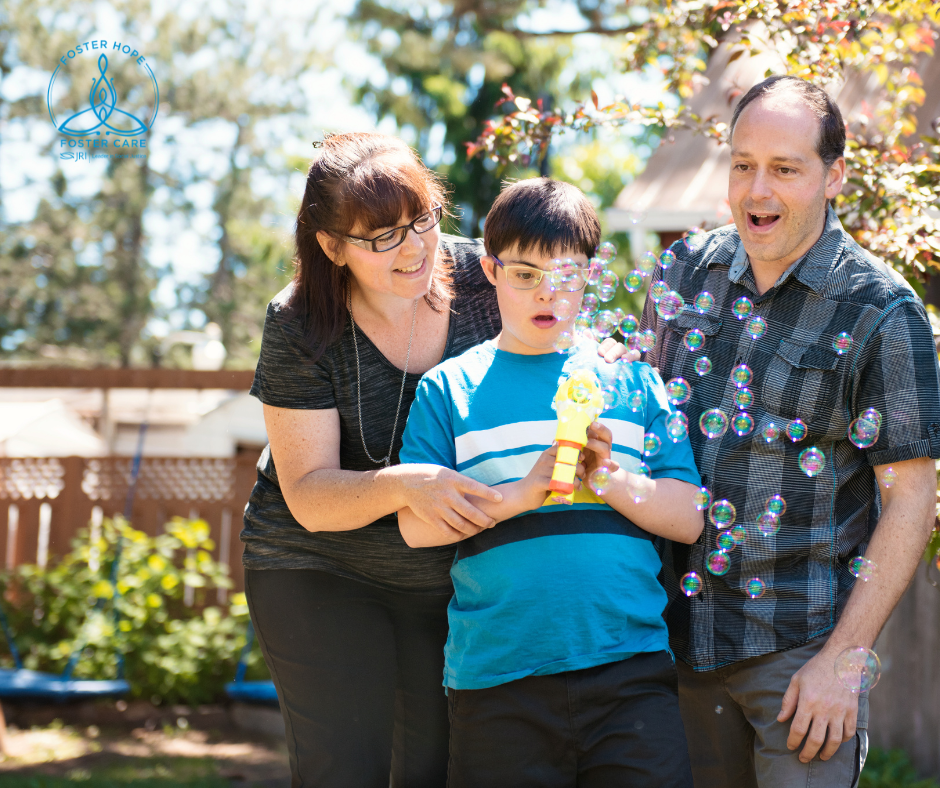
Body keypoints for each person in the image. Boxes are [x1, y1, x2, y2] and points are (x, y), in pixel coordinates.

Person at [241, 133, 628, 788]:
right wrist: (408, 483)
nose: (415, 247)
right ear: (332, 246)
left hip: (444, 577)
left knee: (431, 771)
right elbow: (307, 494)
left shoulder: (484, 277)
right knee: (346, 766)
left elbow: (564, 328)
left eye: (422, 220)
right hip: (316, 566)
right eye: (383, 236)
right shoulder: (299, 320)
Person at [639, 75, 940, 788]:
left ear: (834, 175)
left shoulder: (881, 311)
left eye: (784, 168)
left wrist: (843, 661)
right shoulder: (685, 272)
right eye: (742, 165)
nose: (756, 192)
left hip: (798, 661)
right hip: (670, 649)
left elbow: (910, 501)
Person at [397, 177, 704, 787]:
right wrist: (525, 491)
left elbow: (691, 515)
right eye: (525, 273)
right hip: (498, 679)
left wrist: (612, 479)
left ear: (590, 273)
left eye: (565, 274)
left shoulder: (632, 382)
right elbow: (415, 526)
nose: (547, 292)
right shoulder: (450, 388)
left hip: (630, 672)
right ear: (489, 270)